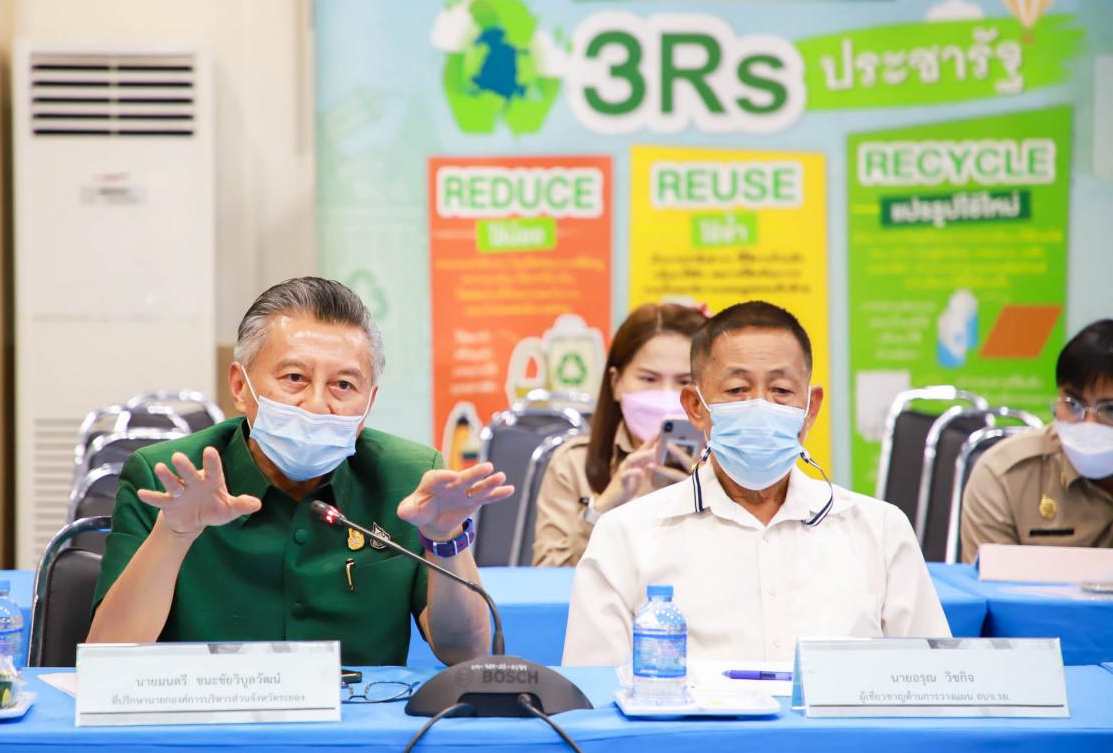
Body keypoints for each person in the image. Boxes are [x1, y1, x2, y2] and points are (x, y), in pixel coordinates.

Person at [88, 277, 513, 666]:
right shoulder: (167, 477)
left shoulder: (409, 479)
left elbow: (465, 653)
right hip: (206, 716)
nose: (316, 404)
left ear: (369, 402)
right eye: (295, 377)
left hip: (359, 719)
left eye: (343, 385)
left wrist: (445, 539)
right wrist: (174, 534)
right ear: (240, 386)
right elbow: (108, 658)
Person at [562, 301, 949, 665]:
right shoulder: (626, 537)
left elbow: (934, 682)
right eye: (737, 390)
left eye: (781, 390)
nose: (760, 406)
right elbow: (595, 694)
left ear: (810, 407)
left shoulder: (879, 531)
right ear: (696, 407)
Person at [533, 303, 706, 567]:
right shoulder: (574, 463)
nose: (665, 394)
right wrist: (602, 509)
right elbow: (549, 576)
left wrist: (703, 495)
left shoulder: (724, 466)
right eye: (648, 379)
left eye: (684, 381)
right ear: (616, 383)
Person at [960, 320, 1113, 562]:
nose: (1089, 425)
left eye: (1110, 410)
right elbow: (990, 583)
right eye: (1073, 404)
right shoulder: (1005, 477)